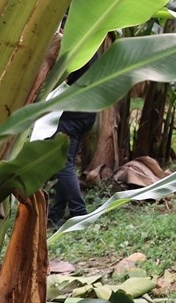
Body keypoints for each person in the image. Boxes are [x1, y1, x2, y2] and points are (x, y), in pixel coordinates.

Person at [47, 61, 97, 229]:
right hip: (86, 115)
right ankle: (55, 215)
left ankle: (80, 214)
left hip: (70, 116)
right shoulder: (93, 50)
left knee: (63, 165)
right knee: (66, 164)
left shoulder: (78, 52)